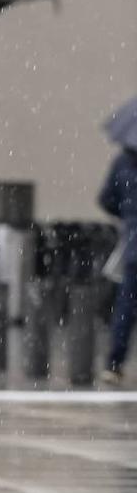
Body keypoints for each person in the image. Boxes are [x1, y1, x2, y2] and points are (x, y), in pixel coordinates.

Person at [100, 145, 137, 384]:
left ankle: (114, 364)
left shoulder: (124, 161)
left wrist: (127, 213)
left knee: (126, 306)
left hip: (134, 244)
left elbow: (106, 199)